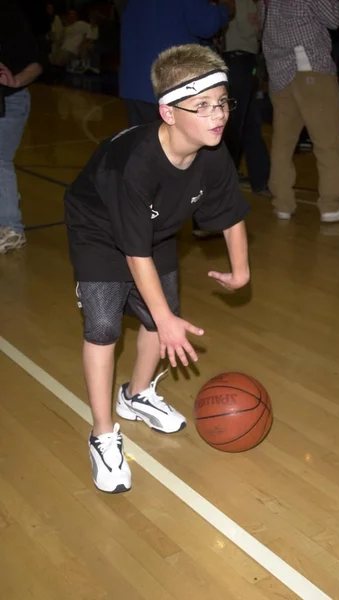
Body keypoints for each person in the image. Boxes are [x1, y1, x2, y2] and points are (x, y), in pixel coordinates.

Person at [64, 44, 251, 494]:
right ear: (168, 112)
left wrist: (240, 270)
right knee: (105, 324)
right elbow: (133, 252)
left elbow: (229, 211)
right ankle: (103, 434)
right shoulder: (135, 164)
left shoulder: (212, 151)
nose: (217, 114)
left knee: (157, 315)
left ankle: (136, 394)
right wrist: (166, 319)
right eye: (202, 106)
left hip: (154, 228)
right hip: (97, 229)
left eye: (222, 102)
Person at [261, 0, 339, 223]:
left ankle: (282, 203)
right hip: (310, 67)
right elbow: (333, 17)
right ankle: (332, 205)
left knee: (283, 143)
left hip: (279, 72)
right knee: (329, 140)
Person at [0, 0, 44, 254]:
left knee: (0, 159)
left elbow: (38, 62)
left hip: (10, 100)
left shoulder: (8, 15)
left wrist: (16, 81)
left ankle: (12, 227)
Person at [223, 0, 270, 195]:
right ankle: (225, 181)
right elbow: (249, 28)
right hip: (237, 60)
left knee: (250, 123)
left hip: (248, 59)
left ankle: (260, 179)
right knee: (235, 124)